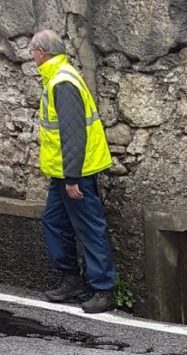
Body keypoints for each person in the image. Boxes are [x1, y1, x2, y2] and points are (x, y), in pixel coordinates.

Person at [30, 30, 115, 314]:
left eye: (33, 54)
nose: (33, 59)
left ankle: (103, 289)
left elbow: (73, 134)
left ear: (41, 53)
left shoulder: (62, 82)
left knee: (89, 228)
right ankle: (72, 280)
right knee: (54, 223)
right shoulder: (59, 77)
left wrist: (72, 177)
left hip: (75, 174)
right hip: (63, 174)